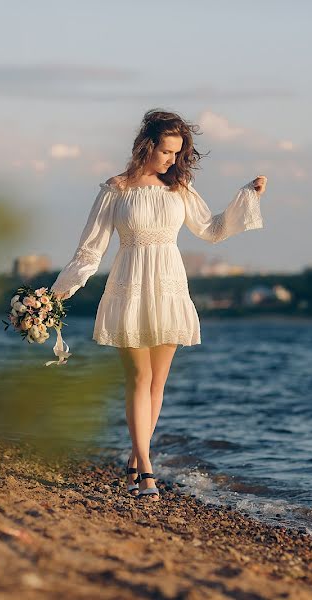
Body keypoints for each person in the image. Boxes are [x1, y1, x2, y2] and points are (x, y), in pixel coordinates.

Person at [50, 109, 267, 501]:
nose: (171, 159)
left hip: (168, 286)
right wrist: (56, 294)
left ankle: (137, 459)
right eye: (166, 151)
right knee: (138, 378)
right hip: (130, 285)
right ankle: (146, 470)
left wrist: (247, 196)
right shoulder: (114, 190)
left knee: (157, 382)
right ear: (147, 145)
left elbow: (213, 230)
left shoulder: (179, 187)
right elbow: (90, 250)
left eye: (177, 153)